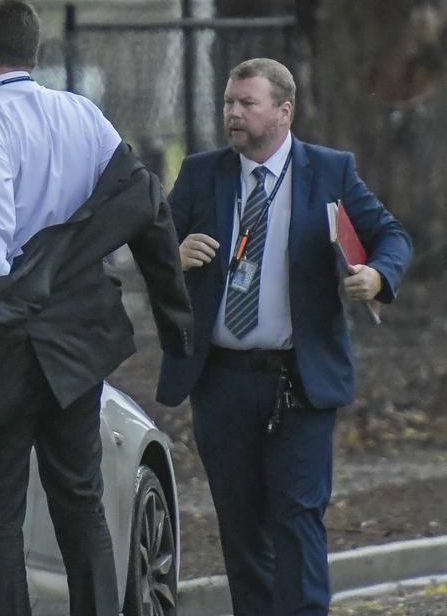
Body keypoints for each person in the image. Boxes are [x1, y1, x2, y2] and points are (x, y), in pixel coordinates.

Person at [0, 0, 193, 616]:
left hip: (5, 339)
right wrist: (178, 325)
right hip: (78, 341)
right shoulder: (84, 117)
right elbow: (145, 205)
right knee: (80, 499)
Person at [157, 58, 413, 614]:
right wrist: (172, 259)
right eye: (228, 102)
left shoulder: (329, 171)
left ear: (284, 110)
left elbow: (391, 236)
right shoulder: (203, 174)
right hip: (221, 382)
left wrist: (376, 275)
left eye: (247, 103)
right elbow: (154, 250)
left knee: (298, 519)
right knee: (241, 525)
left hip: (298, 381)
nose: (233, 113)